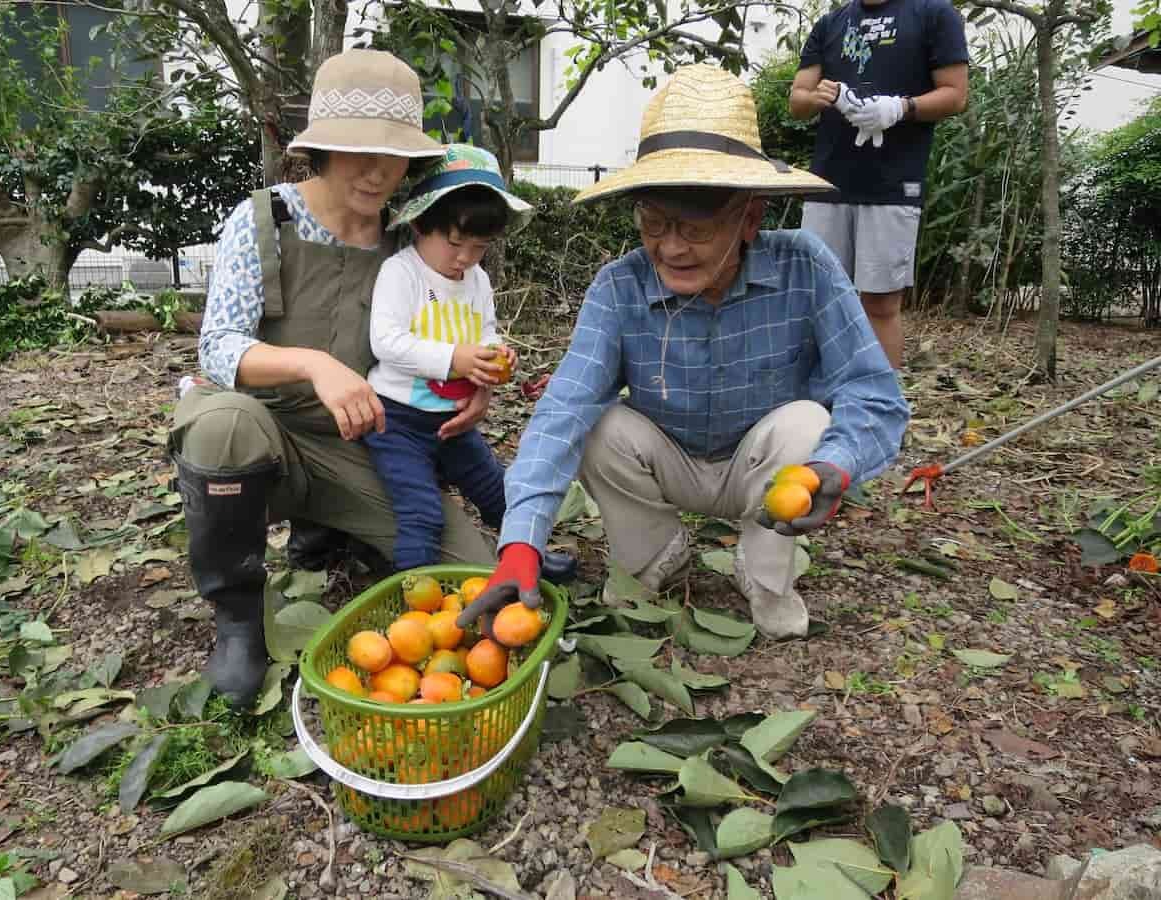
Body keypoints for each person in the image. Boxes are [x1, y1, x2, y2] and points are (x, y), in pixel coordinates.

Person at [167, 51, 564, 709]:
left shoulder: (410, 238)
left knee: (463, 572)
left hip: (363, 440)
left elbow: (452, 325)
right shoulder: (266, 220)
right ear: (321, 147)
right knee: (221, 424)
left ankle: (335, 527)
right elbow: (217, 347)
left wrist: (481, 381)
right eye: (357, 151)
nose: (377, 171)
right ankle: (237, 621)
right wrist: (313, 364)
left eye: (394, 155)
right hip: (262, 429)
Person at [457, 64, 910, 641]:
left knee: (809, 423)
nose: (670, 247)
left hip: (762, 467)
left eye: (694, 229)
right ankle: (654, 555)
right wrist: (521, 543)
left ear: (750, 218)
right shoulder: (620, 287)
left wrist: (835, 466)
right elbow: (562, 411)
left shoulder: (806, 267)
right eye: (653, 222)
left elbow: (873, 391)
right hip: (665, 458)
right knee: (595, 424)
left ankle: (765, 571)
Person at [362, 144, 529, 571]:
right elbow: (386, 342)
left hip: (453, 422)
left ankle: (530, 563)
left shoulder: (477, 280)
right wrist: (455, 357)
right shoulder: (402, 273)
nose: (465, 258)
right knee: (422, 513)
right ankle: (413, 596)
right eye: (455, 243)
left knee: (499, 493)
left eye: (479, 247)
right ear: (420, 224)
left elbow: (485, 331)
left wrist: (494, 358)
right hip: (396, 422)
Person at [789, 0, 968, 367]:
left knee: (881, 303)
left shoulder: (933, 14)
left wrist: (902, 108)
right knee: (817, 299)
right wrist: (817, 98)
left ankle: (879, 407)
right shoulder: (830, 23)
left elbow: (955, 93)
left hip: (893, 185)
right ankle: (820, 401)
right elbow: (797, 99)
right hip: (827, 183)